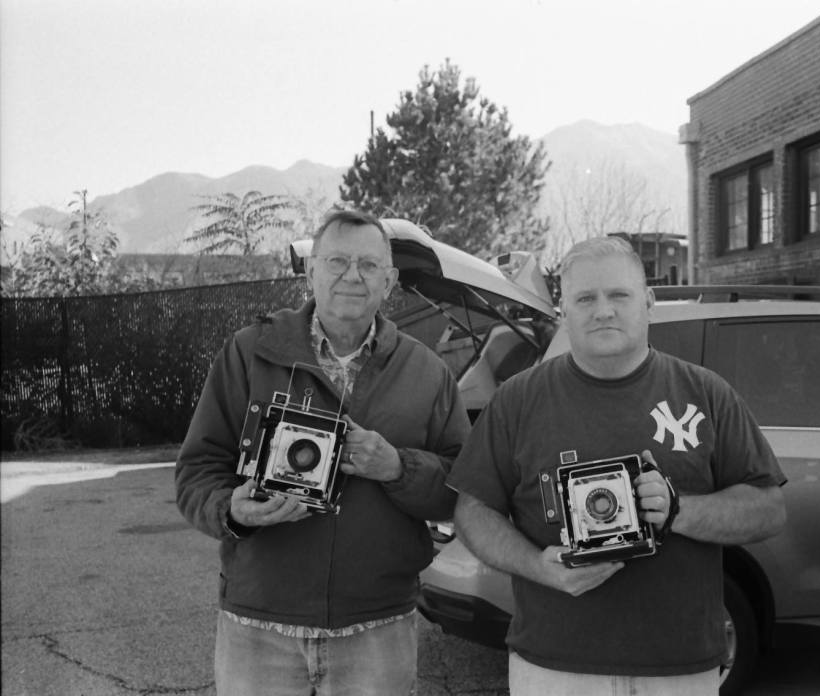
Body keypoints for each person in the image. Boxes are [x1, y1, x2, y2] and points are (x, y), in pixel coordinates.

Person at [449, 236, 787, 695]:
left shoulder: (706, 393)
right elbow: (472, 512)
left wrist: (678, 511)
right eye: (585, 298)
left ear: (647, 301)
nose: (602, 310)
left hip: (679, 668)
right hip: (552, 666)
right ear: (563, 311)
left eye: (619, 295)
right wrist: (539, 566)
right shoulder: (517, 400)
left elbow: (769, 509)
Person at [176, 210, 470, 696]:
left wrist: (396, 467)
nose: (352, 276)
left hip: (377, 626)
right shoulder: (250, 353)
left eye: (369, 265)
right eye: (337, 261)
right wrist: (232, 509)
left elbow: (461, 489)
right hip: (260, 627)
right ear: (311, 271)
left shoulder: (427, 372)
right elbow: (197, 471)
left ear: (390, 280)